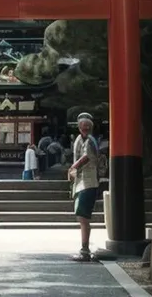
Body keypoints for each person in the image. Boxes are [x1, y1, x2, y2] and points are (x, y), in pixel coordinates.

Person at [68, 112, 100, 262]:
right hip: (81, 182)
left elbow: (86, 157)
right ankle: (84, 248)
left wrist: (73, 167)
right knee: (81, 215)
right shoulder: (80, 140)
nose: (85, 129)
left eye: (87, 127)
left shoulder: (90, 141)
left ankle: (85, 249)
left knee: (83, 215)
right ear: (79, 128)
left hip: (88, 182)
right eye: (83, 127)